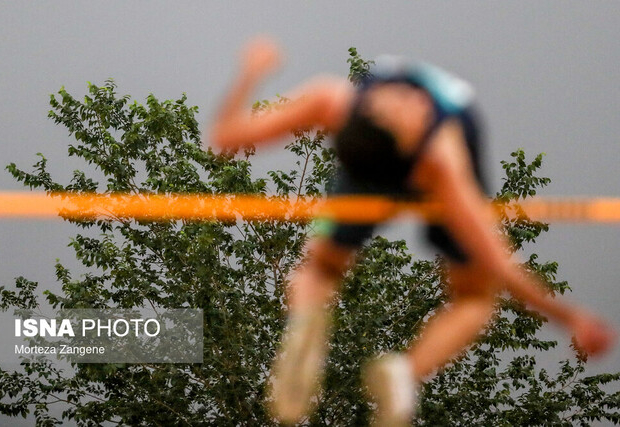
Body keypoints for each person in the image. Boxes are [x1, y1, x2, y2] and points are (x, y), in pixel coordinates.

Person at [210, 36, 615, 425]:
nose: (411, 99)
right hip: (389, 167)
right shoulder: (439, 160)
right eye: (402, 104)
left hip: (376, 168)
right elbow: (499, 261)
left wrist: (252, 71)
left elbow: (225, 136)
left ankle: (307, 318)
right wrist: (571, 318)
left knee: (320, 268)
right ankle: (403, 373)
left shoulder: (336, 103)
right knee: (475, 297)